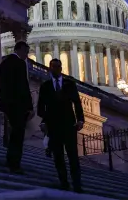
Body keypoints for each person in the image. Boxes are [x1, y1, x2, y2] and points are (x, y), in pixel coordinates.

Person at [37, 58, 85, 193]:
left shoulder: (70, 84)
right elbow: (41, 107)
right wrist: (44, 121)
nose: (56, 69)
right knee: (58, 157)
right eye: (53, 67)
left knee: (73, 157)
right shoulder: (45, 86)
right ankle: (64, 182)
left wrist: (80, 119)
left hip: (69, 124)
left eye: (58, 67)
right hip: (53, 126)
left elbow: (77, 103)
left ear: (61, 69)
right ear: (49, 69)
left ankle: (77, 184)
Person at [0, 41, 34, 174]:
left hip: (8, 105)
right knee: (18, 136)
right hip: (18, 106)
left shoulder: (4, 63)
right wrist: (29, 107)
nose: (26, 55)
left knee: (13, 134)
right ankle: (15, 163)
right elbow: (24, 87)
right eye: (25, 52)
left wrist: (5, 102)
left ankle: (10, 159)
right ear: (19, 50)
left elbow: (0, 86)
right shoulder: (19, 64)